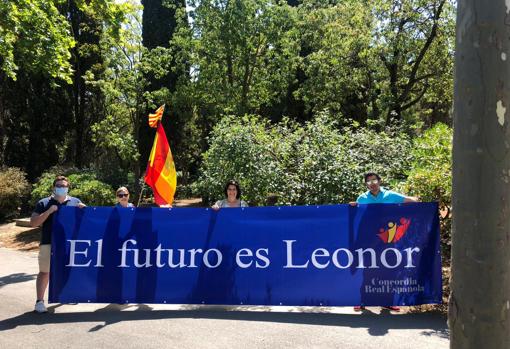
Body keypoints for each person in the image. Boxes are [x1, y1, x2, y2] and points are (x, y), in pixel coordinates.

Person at [351, 172, 419, 312]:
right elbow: (357, 216)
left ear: (379, 181)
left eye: (374, 180)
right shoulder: (362, 199)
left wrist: (416, 200)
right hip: (369, 242)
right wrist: (352, 207)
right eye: (369, 182)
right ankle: (363, 301)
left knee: (389, 271)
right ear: (366, 185)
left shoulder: (390, 196)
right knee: (368, 271)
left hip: (388, 241)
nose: (372, 183)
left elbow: (412, 200)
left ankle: (387, 302)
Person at [30, 175, 85, 313]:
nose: (61, 188)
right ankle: (39, 302)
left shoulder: (75, 202)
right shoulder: (43, 202)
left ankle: (65, 296)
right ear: (54, 187)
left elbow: (87, 223)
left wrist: (85, 211)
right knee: (45, 272)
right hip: (49, 243)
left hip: (69, 244)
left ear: (68, 187)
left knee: (67, 270)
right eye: (59, 186)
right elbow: (33, 222)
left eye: (64, 186)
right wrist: (48, 212)